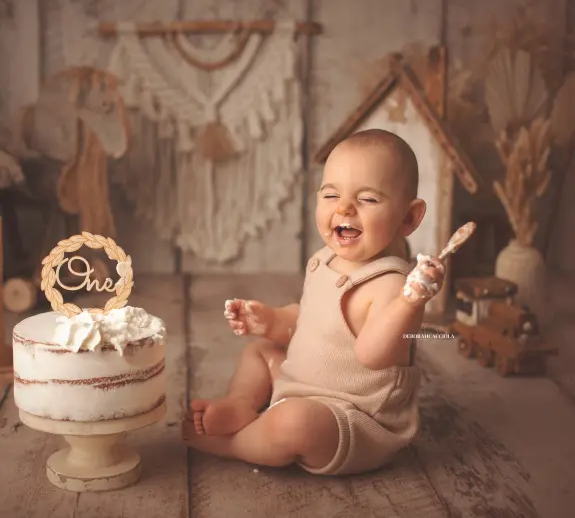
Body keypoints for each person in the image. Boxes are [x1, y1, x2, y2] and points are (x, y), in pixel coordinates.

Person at [182, 129, 446, 475]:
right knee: (259, 353)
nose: (344, 208)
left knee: (293, 423)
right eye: (331, 194)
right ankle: (241, 405)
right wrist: (273, 320)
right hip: (302, 387)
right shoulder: (326, 259)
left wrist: (410, 303)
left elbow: (372, 354)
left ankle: (233, 444)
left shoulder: (393, 286)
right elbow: (310, 320)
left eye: (367, 199)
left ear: (408, 218)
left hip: (349, 419)